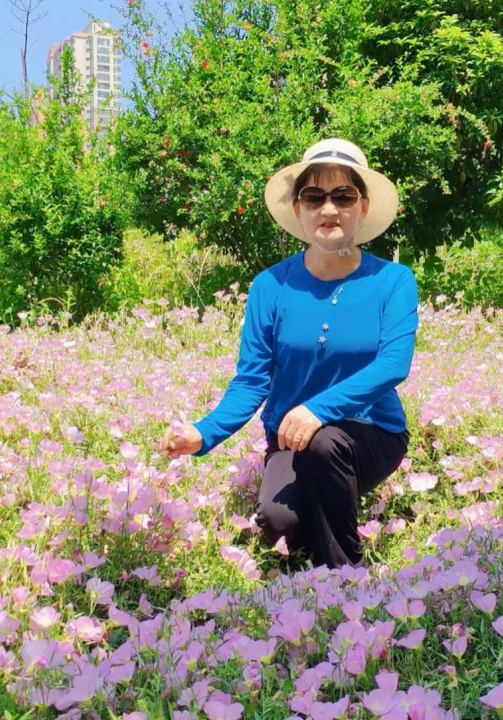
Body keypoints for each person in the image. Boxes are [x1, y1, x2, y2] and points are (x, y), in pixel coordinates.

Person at [165, 138, 419, 568]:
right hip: (290, 438)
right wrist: (202, 434)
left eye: (343, 196)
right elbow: (252, 381)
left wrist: (317, 410)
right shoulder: (270, 286)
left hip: (372, 433)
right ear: (299, 208)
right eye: (314, 196)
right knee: (280, 522)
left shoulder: (393, 280)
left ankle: (347, 576)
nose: (329, 208)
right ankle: (328, 505)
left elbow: (393, 365)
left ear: (362, 207)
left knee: (324, 444)